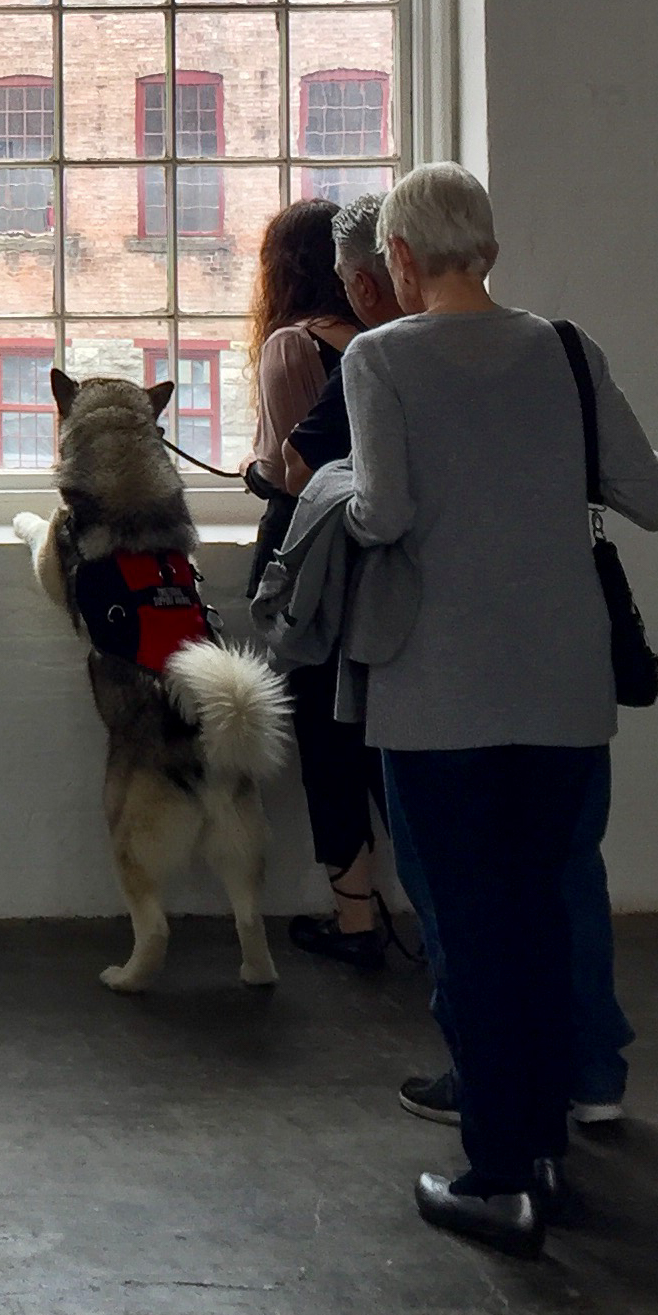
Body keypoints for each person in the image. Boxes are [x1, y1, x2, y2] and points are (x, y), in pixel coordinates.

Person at [342, 163, 658, 1256]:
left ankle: (499, 1174)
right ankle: (546, 1147)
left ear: (398, 258)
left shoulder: (380, 358)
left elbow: (385, 514)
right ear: (489, 246)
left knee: (469, 931)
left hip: (441, 693)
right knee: (541, 911)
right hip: (565, 689)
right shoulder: (567, 350)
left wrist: (338, 498)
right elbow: (649, 494)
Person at [247, 198, 389, 968]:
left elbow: (296, 471)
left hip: (313, 567)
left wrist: (255, 473)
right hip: (382, 561)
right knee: (385, 739)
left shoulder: (291, 345)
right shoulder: (384, 342)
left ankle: (355, 922)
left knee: (326, 742)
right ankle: (439, 909)